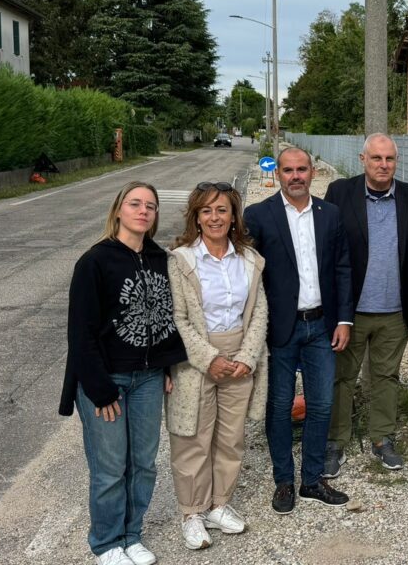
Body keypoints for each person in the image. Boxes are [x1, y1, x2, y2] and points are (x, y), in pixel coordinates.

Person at [60, 181, 185, 565]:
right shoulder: (95, 261)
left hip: (147, 378)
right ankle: (107, 542)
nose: (143, 211)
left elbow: (164, 318)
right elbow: (80, 332)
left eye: (150, 205)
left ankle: (133, 535)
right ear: (118, 210)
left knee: (144, 464)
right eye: (135, 203)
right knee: (110, 468)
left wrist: (165, 363)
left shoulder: (160, 259)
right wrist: (100, 390)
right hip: (106, 381)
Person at [245, 148, 354, 515]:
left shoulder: (330, 214)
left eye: (302, 169)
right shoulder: (258, 216)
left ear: (312, 172)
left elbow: (342, 268)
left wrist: (344, 320)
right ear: (277, 174)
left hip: (322, 327)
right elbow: (250, 277)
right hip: (281, 329)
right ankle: (284, 481)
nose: (295, 176)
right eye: (288, 170)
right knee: (278, 406)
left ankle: (310, 480)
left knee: (321, 405)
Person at [165, 182, 268, 550]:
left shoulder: (250, 260)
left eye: (222, 210)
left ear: (233, 216)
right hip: (197, 361)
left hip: (240, 357)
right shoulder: (181, 261)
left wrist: (246, 357)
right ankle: (192, 512)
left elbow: (258, 312)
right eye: (206, 210)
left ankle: (219, 505)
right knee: (192, 437)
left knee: (230, 438)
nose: (214, 217)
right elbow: (178, 318)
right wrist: (210, 359)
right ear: (195, 216)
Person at [323, 134, 408, 475]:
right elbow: (329, 251)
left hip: (395, 311)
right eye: (376, 159)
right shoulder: (340, 193)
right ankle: (335, 442)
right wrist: (336, 310)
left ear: (396, 162)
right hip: (350, 312)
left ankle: (382, 439)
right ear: (362, 159)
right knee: (341, 377)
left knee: (386, 377)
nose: (383, 165)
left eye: (389, 159)